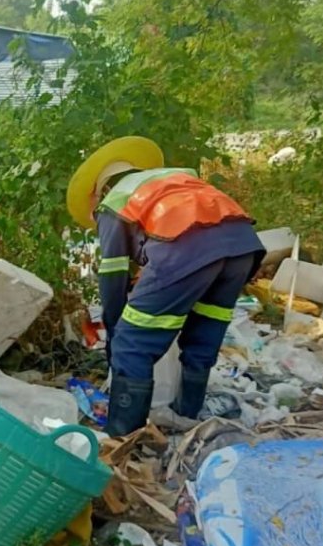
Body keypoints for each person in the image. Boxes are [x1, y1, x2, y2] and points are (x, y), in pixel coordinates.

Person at [66, 136, 266, 436]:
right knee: (204, 332)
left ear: (100, 191)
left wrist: (115, 330)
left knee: (131, 345)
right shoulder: (172, 179)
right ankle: (187, 417)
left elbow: (112, 273)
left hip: (187, 248)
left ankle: (125, 439)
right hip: (241, 246)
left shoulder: (113, 202)